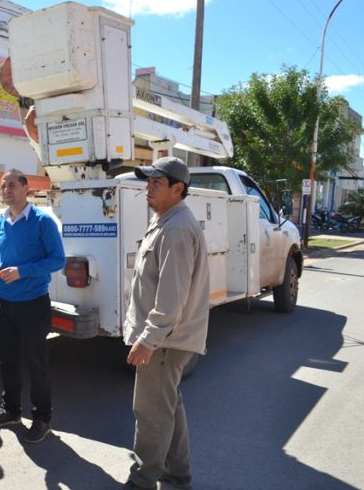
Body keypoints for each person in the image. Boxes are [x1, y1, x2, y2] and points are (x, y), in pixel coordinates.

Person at [123, 156, 210, 490]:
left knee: (151, 412)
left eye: (156, 183)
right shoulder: (166, 219)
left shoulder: (175, 229)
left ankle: (143, 479)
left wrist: (148, 340)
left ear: (178, 189)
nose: (148, 189)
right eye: (148, 182)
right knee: (167, 404)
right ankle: (179, 472)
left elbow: (171, 298)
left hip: (165, 341)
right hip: (168, 338)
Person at [0, 169, 65, 443]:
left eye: (12, 185)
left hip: (33, 303)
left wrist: (23, 271)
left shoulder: (42, 221)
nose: (6, 190)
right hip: (6, 303)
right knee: (8, 361)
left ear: (26, 189)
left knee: (37, 364)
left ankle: (42, 418)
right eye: (3, 186)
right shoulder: (2, 220)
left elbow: (57, 260)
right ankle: (11, 410)